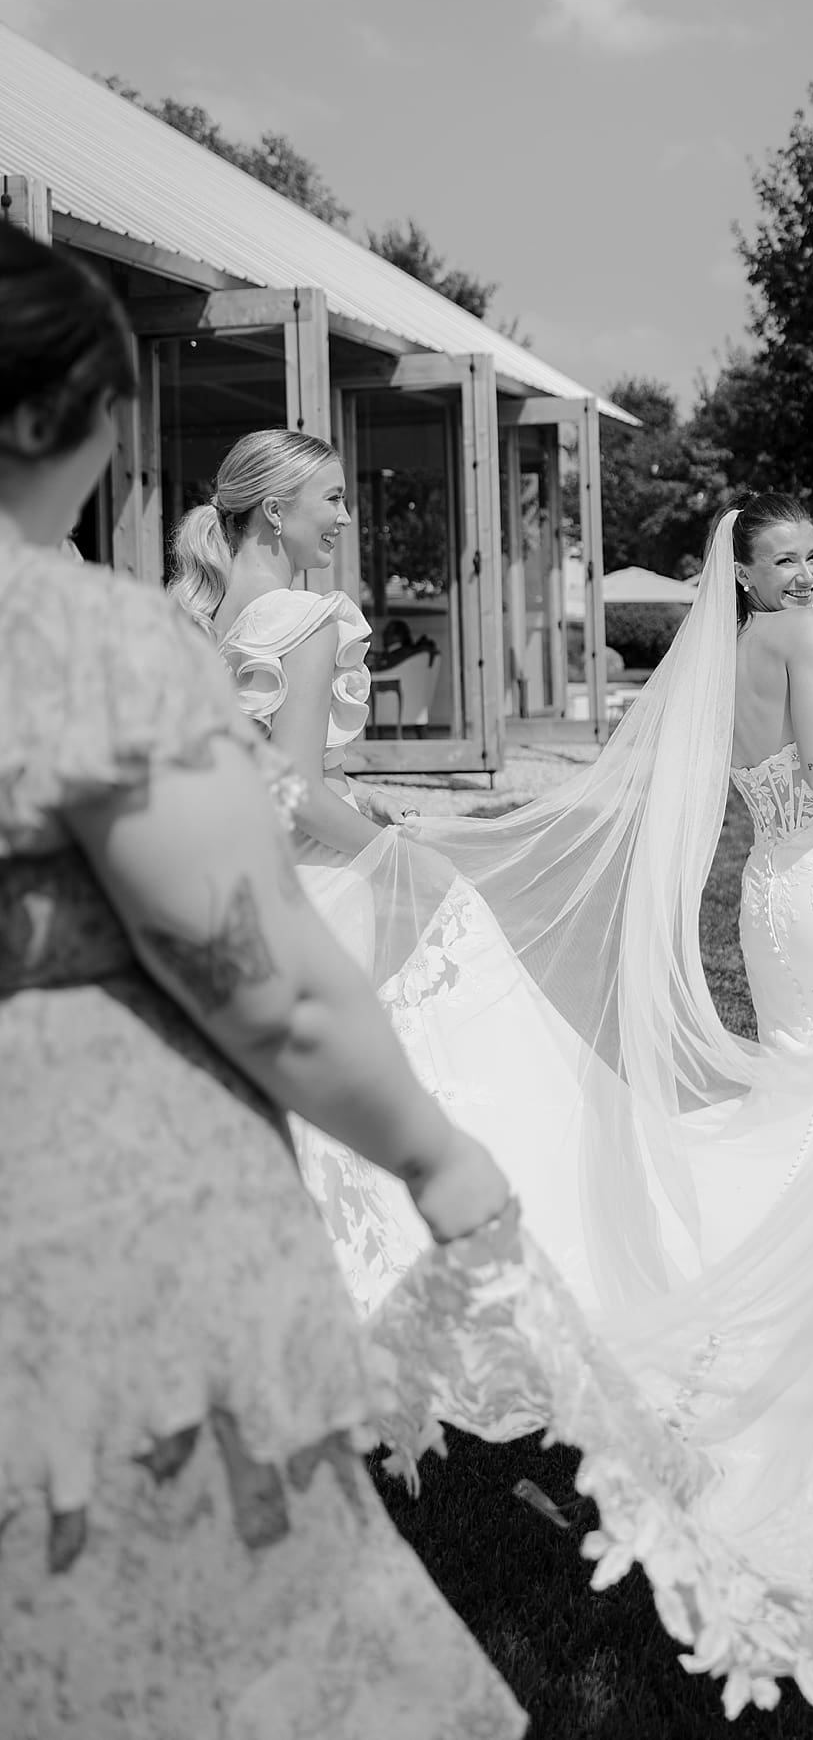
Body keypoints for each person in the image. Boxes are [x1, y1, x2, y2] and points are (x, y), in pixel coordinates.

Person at [181, 455, 813, 1713]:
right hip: (421, 891)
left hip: (297, 908)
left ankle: (341, 1383)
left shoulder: (212, 622)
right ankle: (610, 1313)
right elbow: (294, 785)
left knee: (397, 1127)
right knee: (515, 1104)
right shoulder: (304, 619)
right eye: (335, 500)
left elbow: (259, 785)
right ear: (279, 512)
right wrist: (405, 851)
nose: (351, 517)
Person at [0, 230, 526, 1739]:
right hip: (89, 1222)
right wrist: (432, 1149)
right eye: (110, 408)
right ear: (51, 420)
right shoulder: (78, 635)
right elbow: (257, 969)